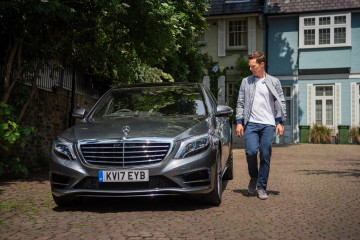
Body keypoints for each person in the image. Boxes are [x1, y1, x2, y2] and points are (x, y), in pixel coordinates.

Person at [236, 51, 286, 200]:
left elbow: (281, 102)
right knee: (251, 152)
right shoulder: (246, 82)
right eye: (250, 66)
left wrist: (281, 122)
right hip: (251, 123)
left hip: (268, 124)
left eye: (253, 66)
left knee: (265, 154)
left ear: (262, 64)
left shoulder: (274, 82)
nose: (250, 69)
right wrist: (239, 122)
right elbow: (240, 103)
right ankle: (253, 177)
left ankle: (262, 187)